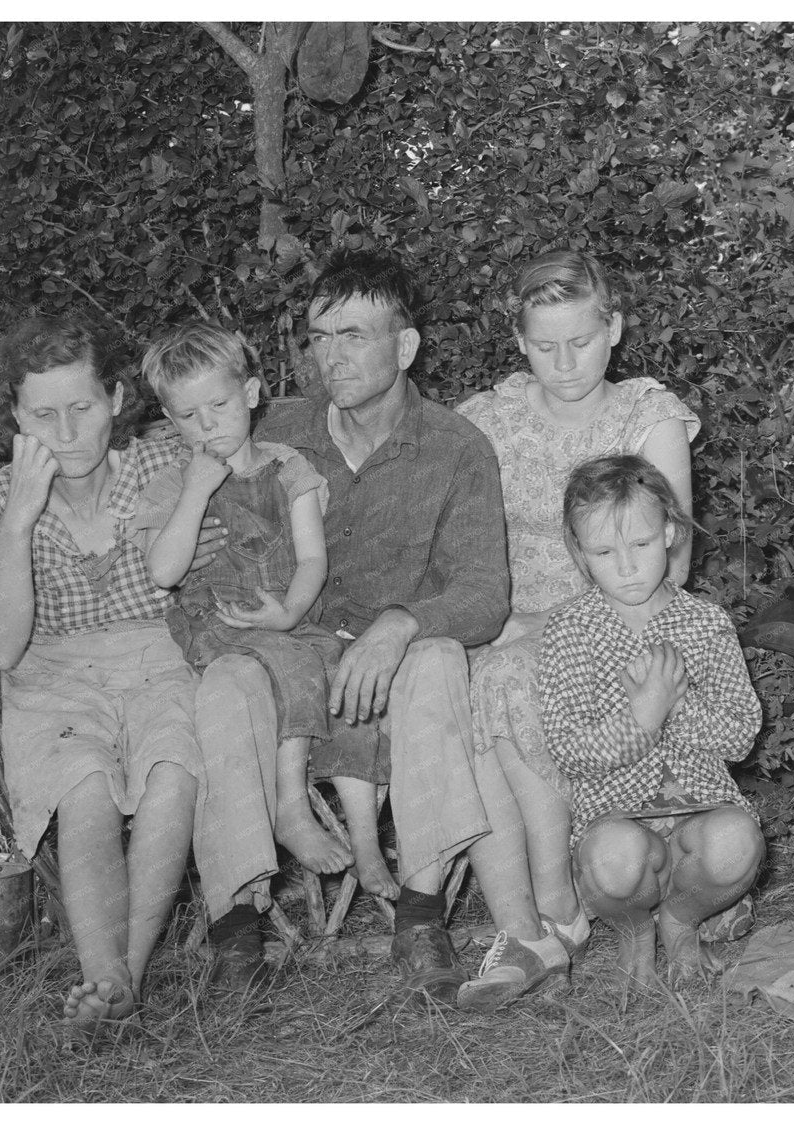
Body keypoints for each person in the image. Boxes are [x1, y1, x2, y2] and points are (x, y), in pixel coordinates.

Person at [192, 249, 519, 1005]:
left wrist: (402, 622)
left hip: (390, 675)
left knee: (437, 658)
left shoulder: (456, 447)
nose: (330, 356)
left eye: (353, 336)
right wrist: (186, 529)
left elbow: (484, 593)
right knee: (227, 679)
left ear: (404, 346)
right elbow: (166, 460)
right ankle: (235, 934)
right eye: (319, 336)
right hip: (284, 657)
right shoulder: (271, 431)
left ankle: (421, 912)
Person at [454, 250, 701, 1010]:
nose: (565, 362)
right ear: (519, 340)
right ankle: (525, 923)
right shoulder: (487, 417)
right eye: (543, 344)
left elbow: (675, 561)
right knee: (461, 674)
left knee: (504, 675)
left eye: (583, 341)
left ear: (615, 328)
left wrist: (557, 633)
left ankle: (552, 909)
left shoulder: (645, 414)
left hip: (620, 619)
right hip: (504, 621)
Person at [0, 313, 201, 1035]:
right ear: (14, 418)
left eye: (82, 408)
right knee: (84, 788)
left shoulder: (161, 466)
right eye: (43, 415)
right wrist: (19, 523)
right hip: (52, 672)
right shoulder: (1, 496)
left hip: (160, 655)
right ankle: (110, 975)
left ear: (117, 399)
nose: (65, 433)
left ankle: (115, 977)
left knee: (173, 769)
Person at [134, 323, 355, 881]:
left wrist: (290, 613)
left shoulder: (289, 468)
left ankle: (366, 833)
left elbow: (311, 560)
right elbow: (164, 572)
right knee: (292, 662)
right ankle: (290, 807)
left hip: (284, 616)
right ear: (169, 418)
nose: (207, 425)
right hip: (218, 623)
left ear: (251, 395)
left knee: (335, 665)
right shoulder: (170, 483)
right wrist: (194, 491)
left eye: (220, 404)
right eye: (187, 415)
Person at [540, 454, 765, 997]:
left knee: (737, 842)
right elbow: (569, 749)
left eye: (640, 545)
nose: (625, 567)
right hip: (614, 815)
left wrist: (674, 708)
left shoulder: (705, 623)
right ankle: (634, 929)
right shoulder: (571, 630)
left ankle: (682, 919)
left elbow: (741, 732)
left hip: (701, 809)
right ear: (579, 552)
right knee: (614, 864)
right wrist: (642, 715)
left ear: (667, 531)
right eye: (603, 552)